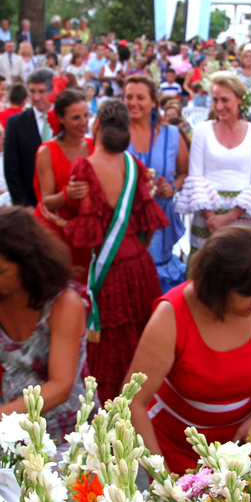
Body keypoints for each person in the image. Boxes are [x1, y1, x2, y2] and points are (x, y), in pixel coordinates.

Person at [127, 226, 251, 474]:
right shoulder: (171, 315)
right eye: (249, 295)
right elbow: (133, 402)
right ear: (217, 286)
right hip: (175, 449)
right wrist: (162, 477)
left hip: (243, 449)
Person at [63, 101, 167, 404]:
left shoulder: (84, 167)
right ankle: (143, 401)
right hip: (140, 266)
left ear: (97, 127)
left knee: (110, 341)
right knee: (140, 336)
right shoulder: (134, 165)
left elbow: (87, 232)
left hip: (109, 272)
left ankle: (112, 409)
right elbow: (148, 224)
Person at [0, 207, 88, 445]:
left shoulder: (64, 304)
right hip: (13, 430)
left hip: (65, 435)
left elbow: (60, 387)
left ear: (28, 261)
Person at [176, 72, 251, 254]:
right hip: (207, 215)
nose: (219, 106)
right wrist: (212, 218)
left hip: (243, 212)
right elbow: (195, 177)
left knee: (240, 269)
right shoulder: (202, 130)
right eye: (215, 100)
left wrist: (229, 217)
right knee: (205, 269)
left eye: (225, 100)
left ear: (239, 100)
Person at [124, 74, 188, 292]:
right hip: (124, 222)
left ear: (153, 101)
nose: (133, 102)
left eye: (140, 97)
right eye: (128, 96)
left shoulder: (171, 134)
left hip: (160, 222)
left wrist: (173, 187)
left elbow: (184, 172)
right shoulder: (114, 134)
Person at [34, 89, 94, 277]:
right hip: (56, 232)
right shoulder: (47, 151)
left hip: (87, 230)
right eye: (76, 117)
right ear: (60, 118)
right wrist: (67, 195)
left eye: (86, 115)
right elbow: (47, 203)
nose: (83, 122)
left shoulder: (95, 145)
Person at [3, 69, 57, 207]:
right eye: (32, 91)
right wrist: (24, 207)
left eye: (41, 91)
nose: (36, 97)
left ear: (53, 90)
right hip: (29, 203)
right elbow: (11, 169)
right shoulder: (16, 123)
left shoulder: (65, 120)